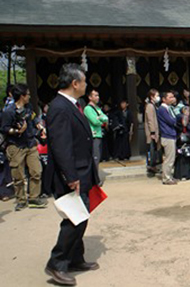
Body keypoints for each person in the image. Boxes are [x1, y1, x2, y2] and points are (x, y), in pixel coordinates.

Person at [44, 63, 100, 286]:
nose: (86, 85)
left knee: (81, 216)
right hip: (71, 174)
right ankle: (56, 263)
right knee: (74, 220)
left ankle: (76, 258)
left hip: (82, 170)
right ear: (75, 83)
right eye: (84, 81)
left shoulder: (74, 105)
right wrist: (71, 176)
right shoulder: (59, 107)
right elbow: (61, 146)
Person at [1, 83, 47, 211]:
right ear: (22, 96)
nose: (29, 96)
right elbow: (4, 128)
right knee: (18, 175)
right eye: (27, 94)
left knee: (36, 171)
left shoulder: (28, 107)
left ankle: (34, 198)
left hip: (30, 143)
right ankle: (21, 199)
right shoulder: (8, 112)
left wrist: (40, 126)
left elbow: (33, 118)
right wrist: (17, 131)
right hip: (15, 146)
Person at [83, 89, 109, 174]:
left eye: (98, 95)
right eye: (95, 95)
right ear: (90, 97)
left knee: (98, 156)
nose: (97, 97)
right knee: (95, 157)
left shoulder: (97, 108)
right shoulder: (87, 109)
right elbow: (94, 121)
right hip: (93, 135)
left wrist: (100, 119)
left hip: (99, 134)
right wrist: (100, 119)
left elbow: (106, 118)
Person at [157, 91, 178, 185]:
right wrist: (175, 120)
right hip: (167, 135)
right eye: (170, 97)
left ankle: (168, 176)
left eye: (173, 97)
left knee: (170, 157)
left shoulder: (169, 108)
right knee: (169, 158)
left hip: (170, 134)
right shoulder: (162, 109)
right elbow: (171, 121)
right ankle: (166, 178)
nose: (172, 98)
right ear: (164, 99)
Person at [173, 106, 190, 181]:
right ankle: (180, 175)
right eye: (185, 111)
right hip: (180, 143)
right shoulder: (178, 120)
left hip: (189, 142)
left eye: (188, 111)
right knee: (181, 159)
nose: (187, 113)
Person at [144, 89, 161, 176]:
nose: (158, 97)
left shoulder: (154, 105)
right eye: (157, 95)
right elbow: (150, 120)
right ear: (152, 97)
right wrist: (153, 132)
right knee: (151, 149)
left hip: (154, 132)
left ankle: (154, 165)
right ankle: (151, 166)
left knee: (154, 149)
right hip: (152, 133)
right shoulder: (150, 106)